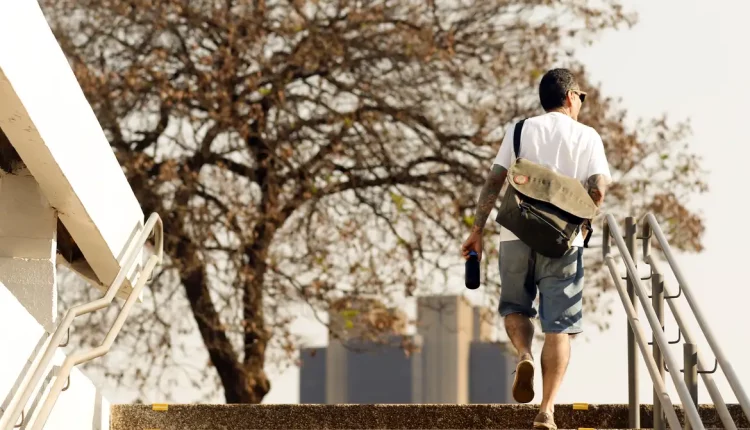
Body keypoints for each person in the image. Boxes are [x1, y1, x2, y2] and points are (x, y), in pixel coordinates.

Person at [461, 68, 611, 430]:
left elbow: (495, 180)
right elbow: (599, 187)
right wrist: (584, 220)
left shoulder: (519, 129)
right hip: (563, 242)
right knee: (559, 327)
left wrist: (476, 230)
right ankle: (546, 410)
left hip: (515, 234)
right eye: (581, 98)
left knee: (515, 307)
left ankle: (524, 355)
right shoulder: (588, 137)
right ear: (571, 96)